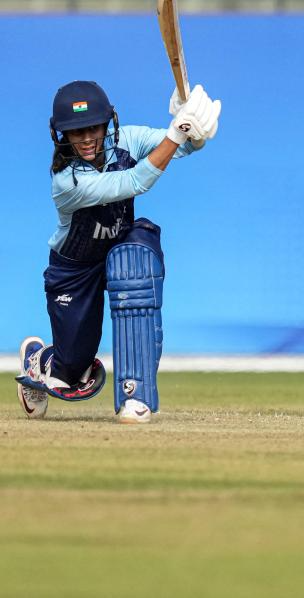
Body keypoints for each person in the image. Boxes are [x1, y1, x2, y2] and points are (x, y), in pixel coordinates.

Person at [15, 80, 221, 423]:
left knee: (135, 262)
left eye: (93, 128)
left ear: (107, 123)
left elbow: (179, 148)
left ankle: (135, 395)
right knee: (72, 374)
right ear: (62, 134)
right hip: (75, 269)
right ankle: (41, 361)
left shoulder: (127, 140)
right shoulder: (67, 181)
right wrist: (178, 131)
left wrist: (195, 132)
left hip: (120, 246)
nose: (86, 138)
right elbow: (135, 181)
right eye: (76, 131)